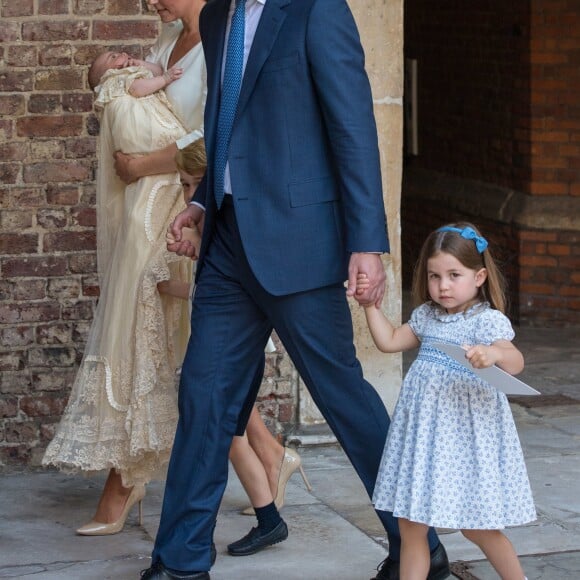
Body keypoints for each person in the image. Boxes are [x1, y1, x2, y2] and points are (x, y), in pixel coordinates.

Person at [140, 1, 450, 578]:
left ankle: (420, 548)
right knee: (204, 396)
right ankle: (179, 562)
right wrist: (206, 198)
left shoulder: (317, 10)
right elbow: (227, 122)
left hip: (300, 243)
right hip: (228, 245)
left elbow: (352, 126)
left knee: (343, 398)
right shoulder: (215, 19)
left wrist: (366, 242)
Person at [42, 0, 208, 535]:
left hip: (190, 206)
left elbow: (214, 142)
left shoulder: (222, 50)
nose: (149, 3)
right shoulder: (164, 44)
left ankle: (128, 476)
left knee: (171, 329)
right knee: (159, 328)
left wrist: (141, 164)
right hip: (150, 207)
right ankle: (267, 466)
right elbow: (126, 107)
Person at [359, 223, 536, 580]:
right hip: (425, 438)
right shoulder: (427, 316)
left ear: (480, 276)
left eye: (455, 275)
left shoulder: (486, 321)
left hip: (465, 441)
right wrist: (369, 306)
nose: (443, 285)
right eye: (434, 275)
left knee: (478, 527)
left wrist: (491, 353)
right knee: (412, 524)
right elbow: (390, 340)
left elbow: (514, 360)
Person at [168, 139, 312, 555]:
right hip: (232, 342)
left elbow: (226, 297)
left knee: (223, 431)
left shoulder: (235, 223)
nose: (190, 192)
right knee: (229, 432)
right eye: (184, 184)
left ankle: (253, 520)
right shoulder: (210, 227)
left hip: (241, 344)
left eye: (196, 183)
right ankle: (269, 519)